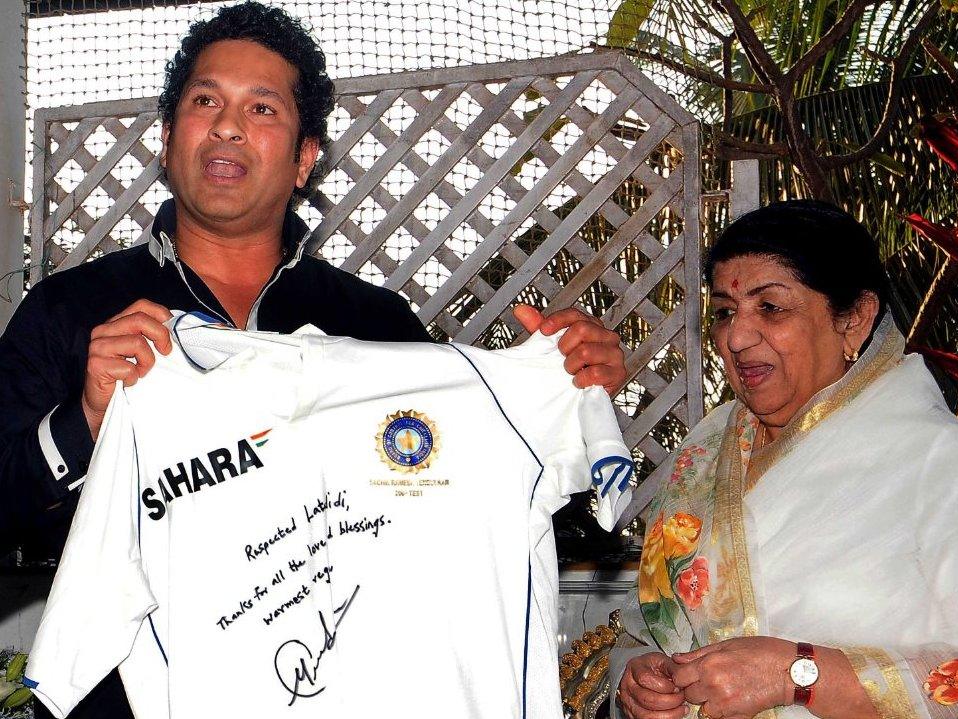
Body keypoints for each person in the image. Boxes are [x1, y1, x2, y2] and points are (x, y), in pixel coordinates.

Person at [0, 2, 626, 717]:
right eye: (205, 101)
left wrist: (575, 395)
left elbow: (494, 500)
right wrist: (81, 420)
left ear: (303, 158)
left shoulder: (379, 330)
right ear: (168, 139)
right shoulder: (70, 313)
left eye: (262, 108)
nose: (228, 125)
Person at [611, 200, 958, 719]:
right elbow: (643, 624)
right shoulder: (704, 454)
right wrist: (641, 677)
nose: (736, 338)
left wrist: (797, 674)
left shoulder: (936, 461)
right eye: (724, 312)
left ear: (855, 318)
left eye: (771, 308)